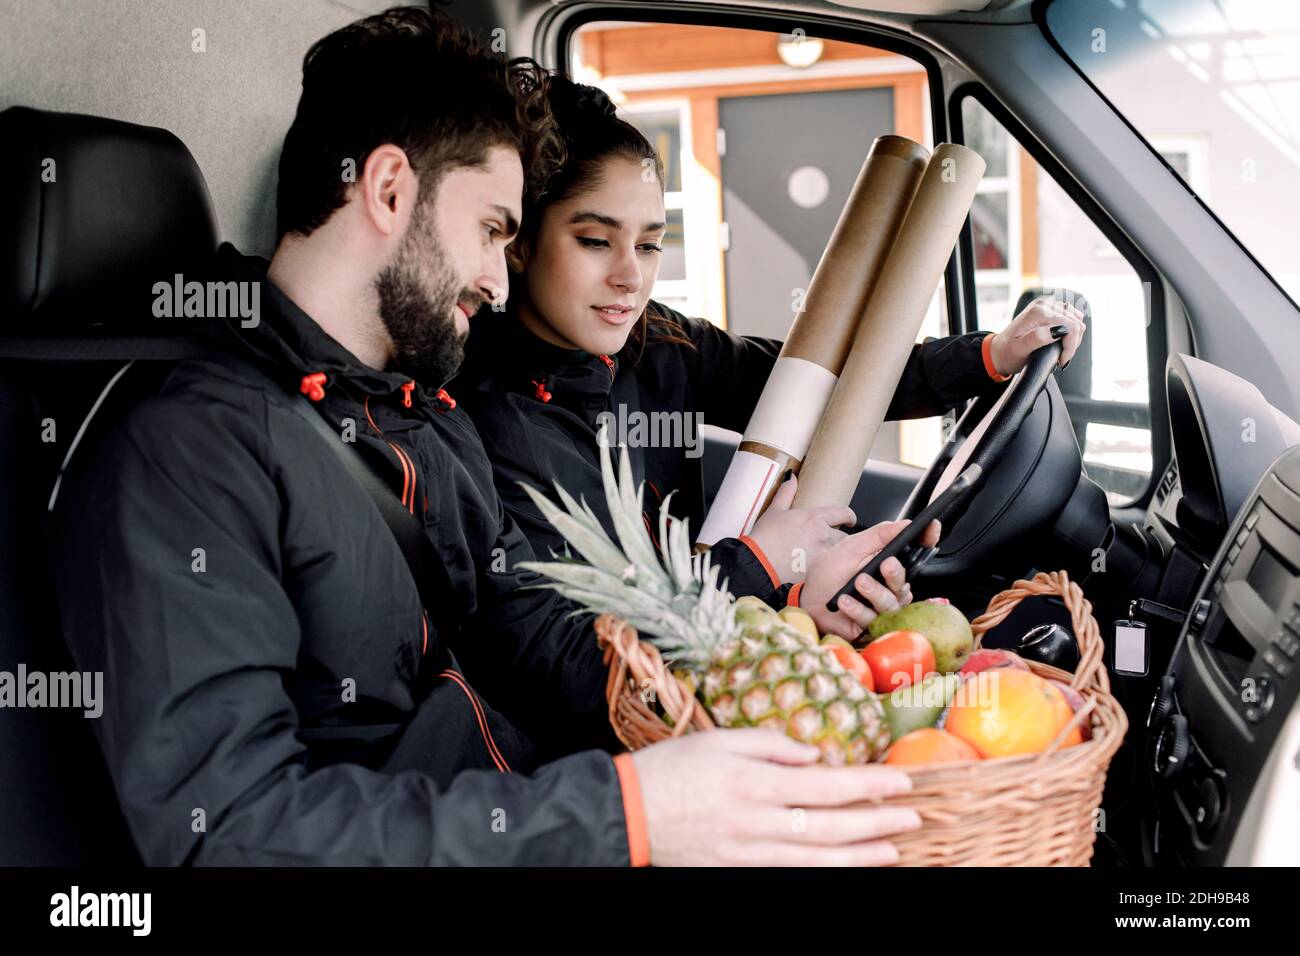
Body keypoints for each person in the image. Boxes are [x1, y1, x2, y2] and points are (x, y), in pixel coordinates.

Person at [51, 7, 925, 867]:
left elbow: (543, 640)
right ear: (389, 190)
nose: (497, 285)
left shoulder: (426, 415)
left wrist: (768, 613)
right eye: (491, 231)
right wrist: (627, 815)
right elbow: (230, 834)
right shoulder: (188, 454)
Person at [455, 76, 1086, 622]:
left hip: (715, 639)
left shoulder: (657, 342)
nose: (631, 276)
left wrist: (991, 355)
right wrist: (761, 561)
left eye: (649, 245)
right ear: (518, 242)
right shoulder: (485, 423)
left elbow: (824, 383)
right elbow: (590, 645)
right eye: (595, 240)